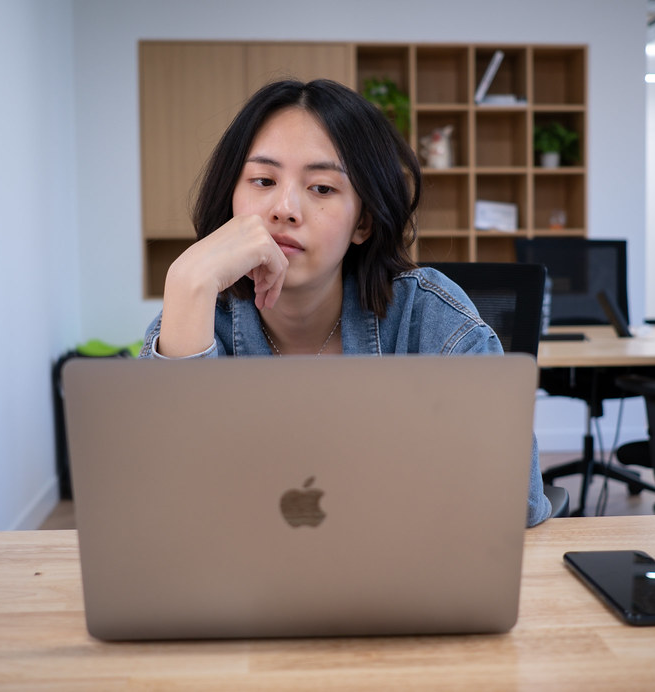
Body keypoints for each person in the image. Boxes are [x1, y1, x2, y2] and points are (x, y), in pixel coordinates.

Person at [139, 78, 551, 526]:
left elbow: (518, 501)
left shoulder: (427, 317)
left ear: (363, 223)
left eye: (322, 188)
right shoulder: (197, 318)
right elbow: (154, 503)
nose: (285, 208)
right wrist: (186, 282)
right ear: (231, 199)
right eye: (263, 180)